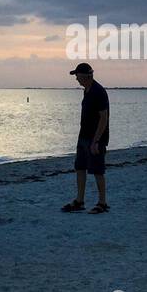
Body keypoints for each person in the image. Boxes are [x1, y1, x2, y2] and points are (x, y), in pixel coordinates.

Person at [62, 63, 109, 213]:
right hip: (83, 136)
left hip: (95, 139)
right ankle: (80, 201)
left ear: (86, 76)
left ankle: (102, 203)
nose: (76, 79)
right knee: (80, 168)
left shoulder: (99, 92)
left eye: (77, 76)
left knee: (97, 170)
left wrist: (96, 141)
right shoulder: (87, 91)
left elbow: (104, 118)